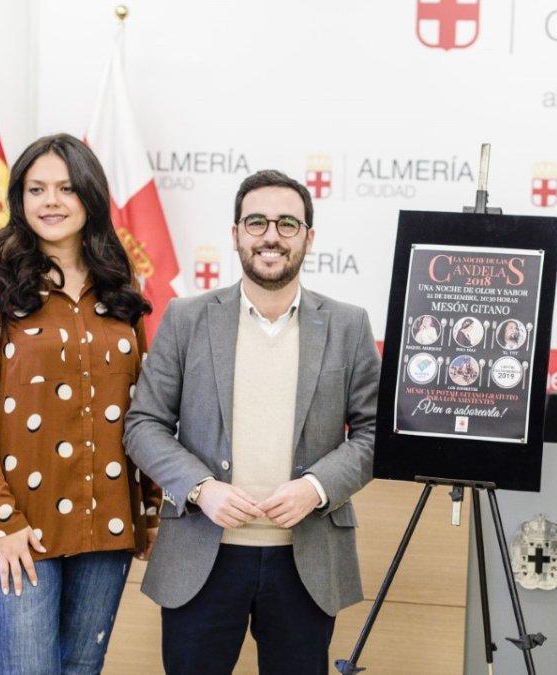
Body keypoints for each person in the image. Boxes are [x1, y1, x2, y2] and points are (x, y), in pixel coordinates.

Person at [123, 169, 380, 675]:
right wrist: (200, 488)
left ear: (309, 238)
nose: (271, 236)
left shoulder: (348, 325)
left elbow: (374, 435)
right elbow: (143, 424)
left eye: (288, 224)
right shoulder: (186, 318)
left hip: (304, 559)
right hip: (203, 554)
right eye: (256, 222)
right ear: (236, 234)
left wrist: (316, 487)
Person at [0, 133, 159, 674]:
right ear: (20, 200)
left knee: (82, 669)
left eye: (66, 188)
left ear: (90, 196)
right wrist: (0, 520)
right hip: (17, 525)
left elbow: (143, 410)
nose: (51, 201)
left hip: (106, 518)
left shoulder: (121, 290)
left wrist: (152, 510)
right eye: (36, 189)